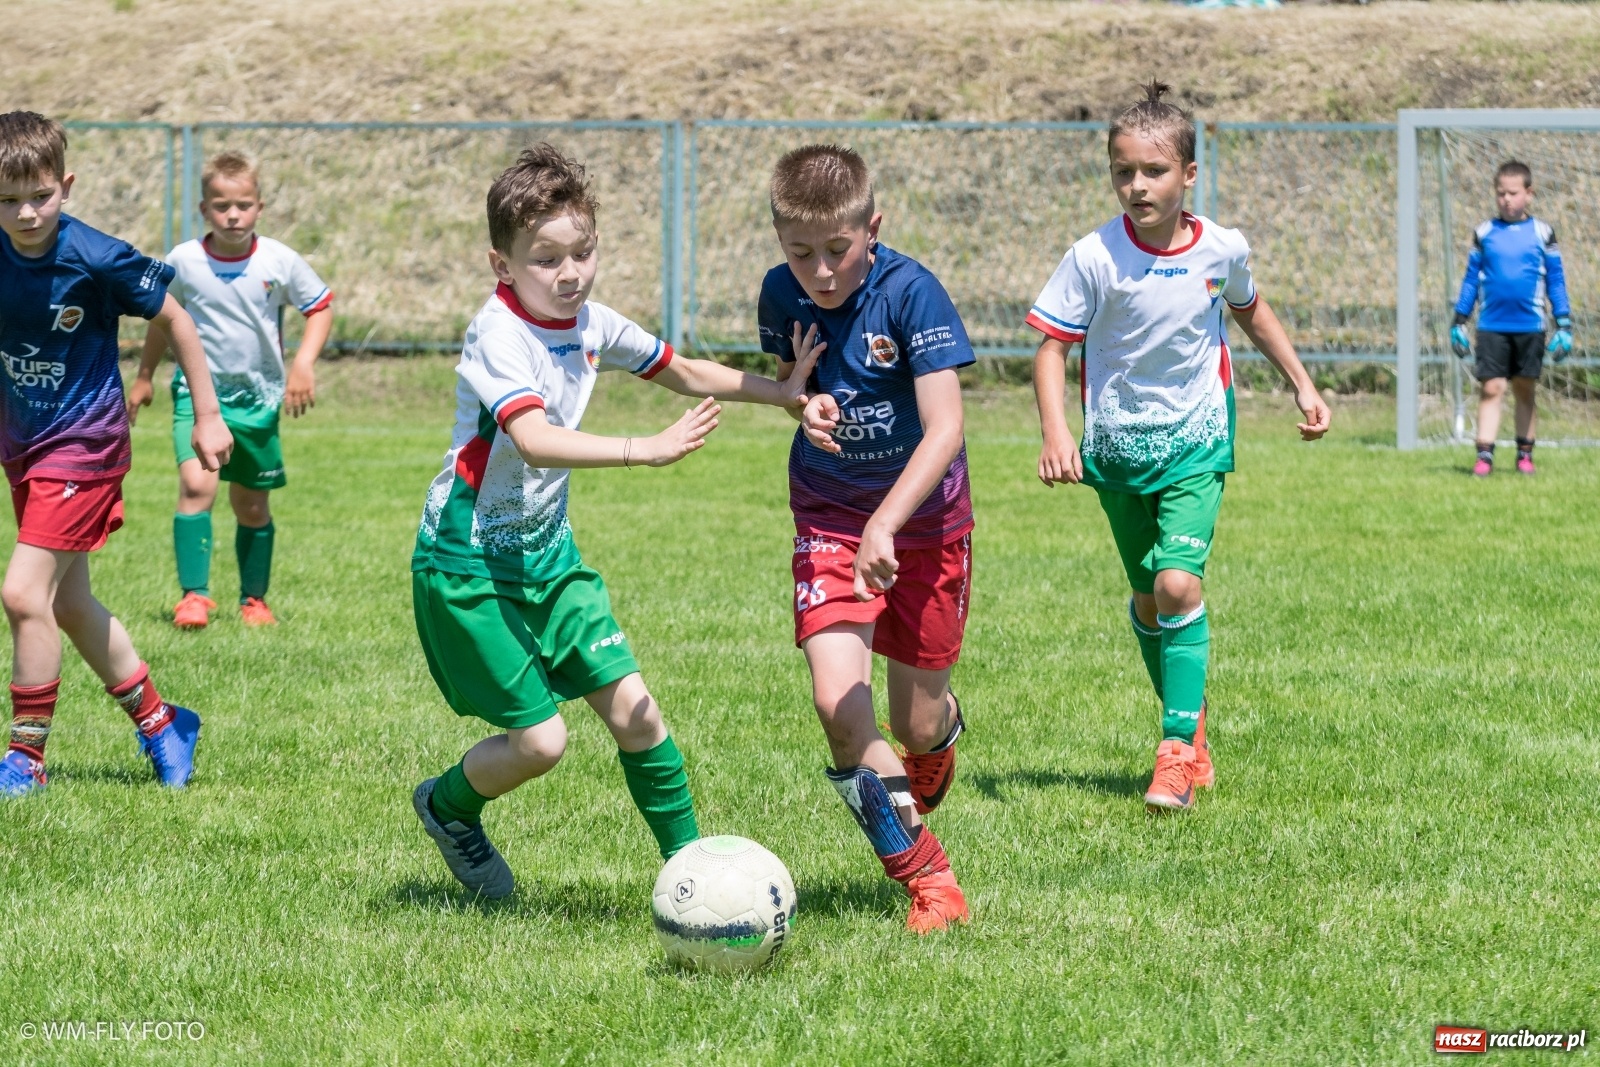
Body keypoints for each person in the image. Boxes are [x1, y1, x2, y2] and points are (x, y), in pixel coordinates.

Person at [411, 144, 819, 898]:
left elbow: (682, 370)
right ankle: (446, 806)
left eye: (584, 252)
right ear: (503, 265)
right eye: (547, 259)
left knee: (637, 711)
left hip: (549, 558)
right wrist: (646, 450)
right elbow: (531, 439)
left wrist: (783, 392)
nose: (570, 273)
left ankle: (694, 875)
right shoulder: (496, 336)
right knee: (542, 743)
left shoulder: (589, 322)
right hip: (468, 566)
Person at [1027, 83, 1330, 813]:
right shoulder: (1093, 255)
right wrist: (1056, 430)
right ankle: (1192, 731)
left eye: (1154, 171)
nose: (1137, 185)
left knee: (1176, 586)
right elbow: (1051, 348)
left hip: (1196, 440)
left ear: (1188, 175)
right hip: (1115, 451)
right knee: (1144, 594)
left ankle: (1171, 751)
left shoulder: (1222, 249)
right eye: (1124, 171)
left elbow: (1252, 313)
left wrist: (1302, 383)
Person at [760, 144, 974, 934]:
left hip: (925, 524)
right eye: (800, 252)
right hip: (828, 516)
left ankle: (936, 740)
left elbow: (947, 425)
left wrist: (888, 519)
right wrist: (802, 406)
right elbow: (796, 384)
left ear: (873, 228)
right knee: (839, 707)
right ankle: (930, 881)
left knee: (916, 726)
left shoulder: (913, 294)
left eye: (837, 250)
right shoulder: (779, 293)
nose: (819, 271)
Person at [0, 111, 233, 796]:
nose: (25, 212)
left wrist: (208, 416)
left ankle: (25, 758)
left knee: (21, 592)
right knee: (67, 604)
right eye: (7, 200)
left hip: (87, 446)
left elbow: (177, 320)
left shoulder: (94, 256)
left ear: (64, 185)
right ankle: (164, 724)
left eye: (39, 195)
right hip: (28, 449)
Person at [128, 151, 334, 627]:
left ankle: (254, 601)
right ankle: (194, 598)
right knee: (196, 486)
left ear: (259, 206)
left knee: (252, 503)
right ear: (204, 210)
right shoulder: (184, 261)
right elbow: (162, 321)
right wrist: (143, 377)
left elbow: (320, 307)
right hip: (198, 399)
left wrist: (303, 362)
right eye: (222, 206)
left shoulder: (279, 260)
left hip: (259, 402)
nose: (233, 215)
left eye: (243, 204)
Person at [1449, 160, 1572, 477]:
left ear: (1528, 194)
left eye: (1513, 193)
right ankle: (1484, 456)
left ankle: (1524, 453)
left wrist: (1565, 323)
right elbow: (1470, 281)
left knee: (1524, 389)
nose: (1506, 199)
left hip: (1530, 327)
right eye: (1500, 193)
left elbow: (1556, 282)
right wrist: (1459, 320)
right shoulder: (1484, 232)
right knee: (1491, 388)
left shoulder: (1543, 233)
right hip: (1491, 326)